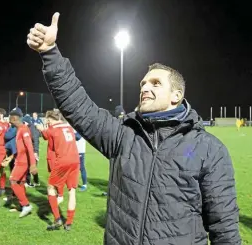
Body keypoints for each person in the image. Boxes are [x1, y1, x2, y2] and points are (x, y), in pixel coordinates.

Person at [27, 12, 241, 244]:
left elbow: (224, 228)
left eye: (156, 83)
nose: (145, 87)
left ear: (176, 95)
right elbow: (80, 108)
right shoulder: (123, 135)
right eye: (143, 83)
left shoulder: (209, 150)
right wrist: (50, 53)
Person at [36, 110, 80, 231]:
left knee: (50, 187)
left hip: (63, 161)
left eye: (47, 119)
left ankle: (57, 219)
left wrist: (40, 128)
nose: (46, 121)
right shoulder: (68, 126)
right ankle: (69, 223)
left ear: (50, 119)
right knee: (72, 191)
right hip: (75, 160)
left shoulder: (51, 130)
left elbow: (45, 136)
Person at [8, 108, 38, 218]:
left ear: (14, 118)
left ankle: (26, 205)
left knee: (13, 181)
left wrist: (33, 164)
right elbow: (21, 148)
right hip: (19, 160)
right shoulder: (20, 129)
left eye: (10, 119)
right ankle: (22, 205)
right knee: (20, 183)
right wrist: (12, 157)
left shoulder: (24, 129)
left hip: (23, 162)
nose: (9, 121)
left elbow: (29, 147)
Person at [22, 114, 40, 187]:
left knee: (32, 167)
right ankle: (28, 182)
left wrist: (35, 152)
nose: (23, 123)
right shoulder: (26, 128)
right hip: (28, 150)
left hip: (33, 151)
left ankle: (36, 181)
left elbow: (35, 140)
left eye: (24, 122)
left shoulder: (32, 128)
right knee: (27, 166)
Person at [0, 108, 9, 196]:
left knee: (2, 169)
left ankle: (2, 187)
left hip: (3, 150)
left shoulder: (7, 124)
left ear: (1, 114)